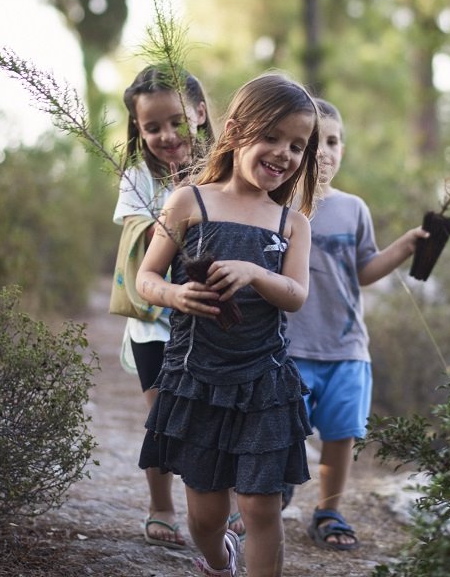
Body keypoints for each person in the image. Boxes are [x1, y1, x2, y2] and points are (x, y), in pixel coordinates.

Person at [135, 72, 320, 577]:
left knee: (261, 506)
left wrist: (257, 273)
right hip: (199, 378)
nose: (284, 153)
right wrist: (175, 293)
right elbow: (146, 277)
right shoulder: (189, 202)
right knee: (207, 515)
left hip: (264, 378)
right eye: (273, 137)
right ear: (237, 130)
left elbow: (297, 295)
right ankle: (219, 564)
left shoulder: (291, 223)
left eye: (298, 145)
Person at [285, 98, 428, 551]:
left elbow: (363, 270)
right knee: (283, 432)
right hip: (290, 346)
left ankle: (329, 510)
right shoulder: (279, 204)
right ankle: (269, 497)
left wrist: (403, 247)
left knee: (341, 435)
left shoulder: (353, 209)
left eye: (332, 141)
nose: (323, 151)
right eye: (312, 142)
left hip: (346, 347)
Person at [115, 65, 248, 548]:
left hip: (208, 320)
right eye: (152, 127)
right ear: (138, 129)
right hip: (155, 323)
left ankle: (226, 505)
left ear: (199, 113)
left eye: (175, 121)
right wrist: (169, 213)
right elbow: (135, 235)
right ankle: (161, 505)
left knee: (218, 414)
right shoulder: (136, 177)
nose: (166, 135)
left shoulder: (225, 170)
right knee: (164, 418)